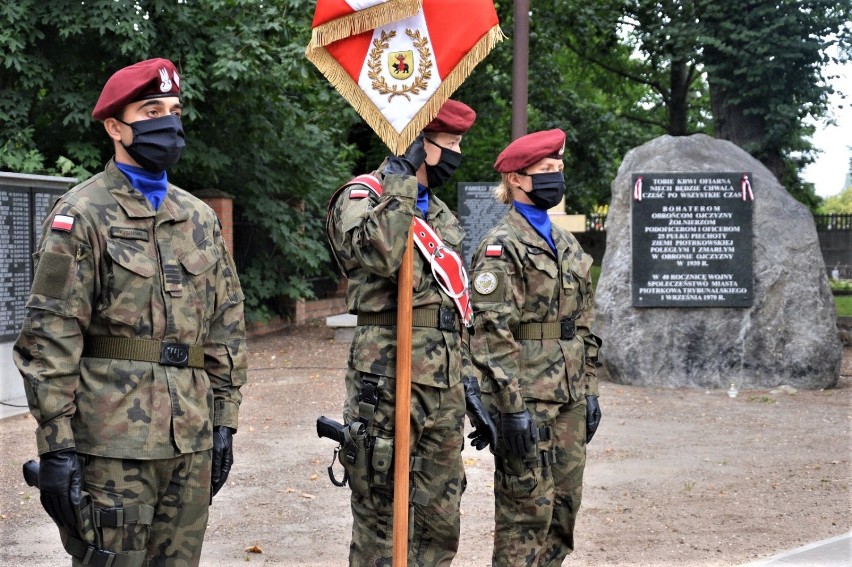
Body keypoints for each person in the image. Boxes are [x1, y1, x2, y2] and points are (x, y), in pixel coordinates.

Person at [13, 58, 247, 566]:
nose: (168, 122)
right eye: (151, 110)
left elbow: (227, 321)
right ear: (115, 127)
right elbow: (49, 335)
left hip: (189, 440)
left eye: (174, 110)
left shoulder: (200, 217)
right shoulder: (81, 215)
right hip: (112, 446)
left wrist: (224, 419)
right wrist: (56, 446)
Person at [325, 99, 496, 565]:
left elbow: (454, 307)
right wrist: (400, 179)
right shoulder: (363, 195)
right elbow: (380, 253)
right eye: (451, 143)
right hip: (386, 376)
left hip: (441, 384)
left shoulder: (440, 214)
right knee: (383, 516)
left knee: (441, 515)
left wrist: (467, 381)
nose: (458, 153)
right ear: (418, 143)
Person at [469, 129, 602, 566]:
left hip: (569, 398)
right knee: (526, 513)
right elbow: (491, 334)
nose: (556, 178)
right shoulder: (500, 248)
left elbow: (582, 322)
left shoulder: (567, 243)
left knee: (564, 512)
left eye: (559, 169)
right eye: (546, 170)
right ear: (517, 179)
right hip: (526, 399)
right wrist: (510, 408)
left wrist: (590, 390)